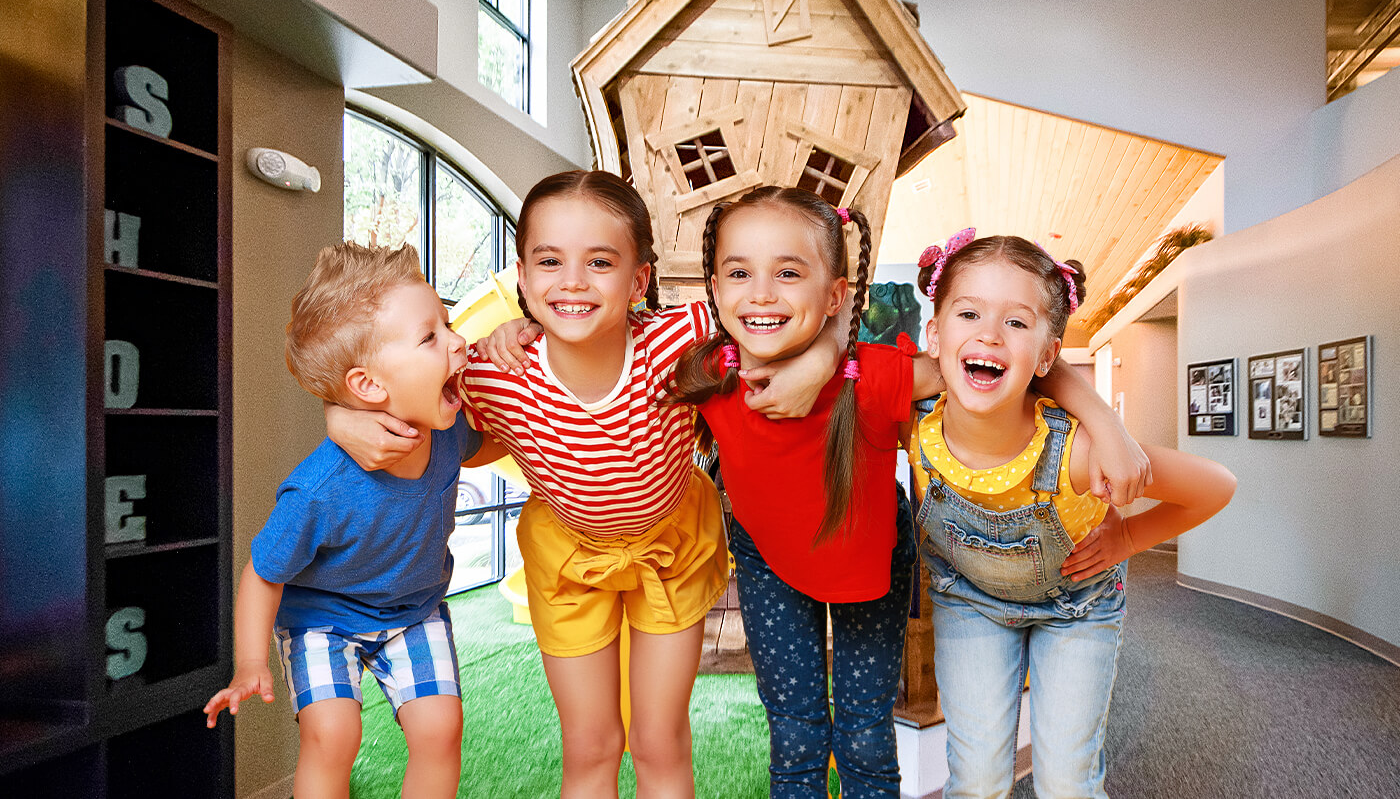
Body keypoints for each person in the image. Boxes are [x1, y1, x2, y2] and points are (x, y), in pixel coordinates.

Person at [325, 171, 840, 799]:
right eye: (549, 261)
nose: (572, 282)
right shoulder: (490, 371)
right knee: (592, 746)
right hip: (568, 559)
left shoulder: (684, 339)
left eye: (600, 261)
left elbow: (814, 315)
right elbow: (396, 388)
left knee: (659, 740)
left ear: (640, 280)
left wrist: (818, 359)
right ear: (521, 274)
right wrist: (342, 415)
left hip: (671, 548)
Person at [659, 188, 1152, 798]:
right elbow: (596, 330)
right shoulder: (706, 369)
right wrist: (519, 327)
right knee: (795, 734)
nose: (761, 293)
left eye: (787, 273)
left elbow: (1000, 360)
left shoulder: (876, 374)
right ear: (716, 282)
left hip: (872, 562)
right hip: (768, 564)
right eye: (740, 273)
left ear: (836, 295)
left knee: (865, 734)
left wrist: (1104, 421)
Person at [910, 230, 1236, 799]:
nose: (989, 333)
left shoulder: (1079, 453)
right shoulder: (912, 421)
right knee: (977, 780)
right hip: (968, 601)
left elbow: (1215, 486)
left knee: (1065, 782)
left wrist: (1129, 538)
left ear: (1047, 354)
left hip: (1077, 609)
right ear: (934, 335)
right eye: (969, 313)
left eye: (1016, 322)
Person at [203, 242, 502, 799]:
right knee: (332, 735)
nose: (457, 341)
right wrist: (249, 662)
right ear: (368, 386)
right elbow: (264, 572)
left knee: (440, 728)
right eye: (431, 336)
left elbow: (492, 442)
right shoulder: (317, 490)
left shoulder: (448, 434)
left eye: (447, 323)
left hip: (414, 610)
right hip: (321, 619)